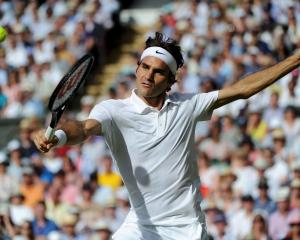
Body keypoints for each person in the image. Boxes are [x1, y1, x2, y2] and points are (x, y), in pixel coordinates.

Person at [33, 32, 300, 239]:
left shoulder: (189, 105)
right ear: (136, 69)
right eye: (144, 67)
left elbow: (242, 89)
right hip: (140, 224)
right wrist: (58, 136)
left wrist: (295, 58)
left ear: (171, 81)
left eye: (158, 71)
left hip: (187, 229)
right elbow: (82, 128)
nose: (148, 76)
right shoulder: (112, 110)